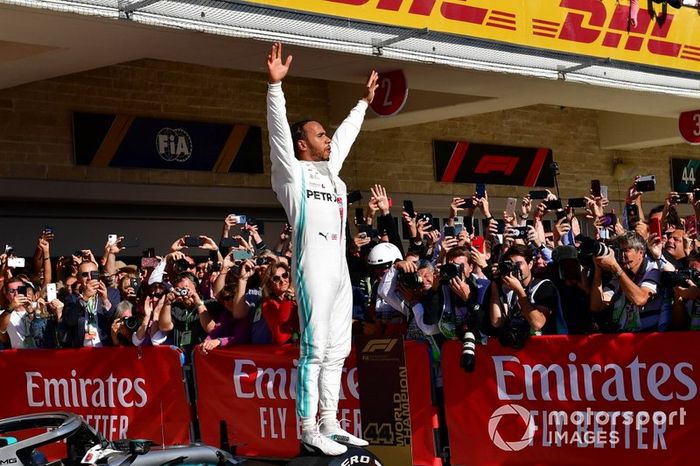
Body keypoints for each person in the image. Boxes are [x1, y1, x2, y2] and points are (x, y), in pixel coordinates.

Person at [266, 41, 378, 455]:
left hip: (340, 271)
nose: (327, 138)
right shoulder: (292, 175)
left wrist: (363, 104)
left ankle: (330, 423)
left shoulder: (332, 171)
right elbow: (278, 133)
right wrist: (275, 89)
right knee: (313, 352)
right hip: (312, 269)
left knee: (338, 350)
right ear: (302, 145)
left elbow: (346, 136)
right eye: (319, 134)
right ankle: (307, 428)